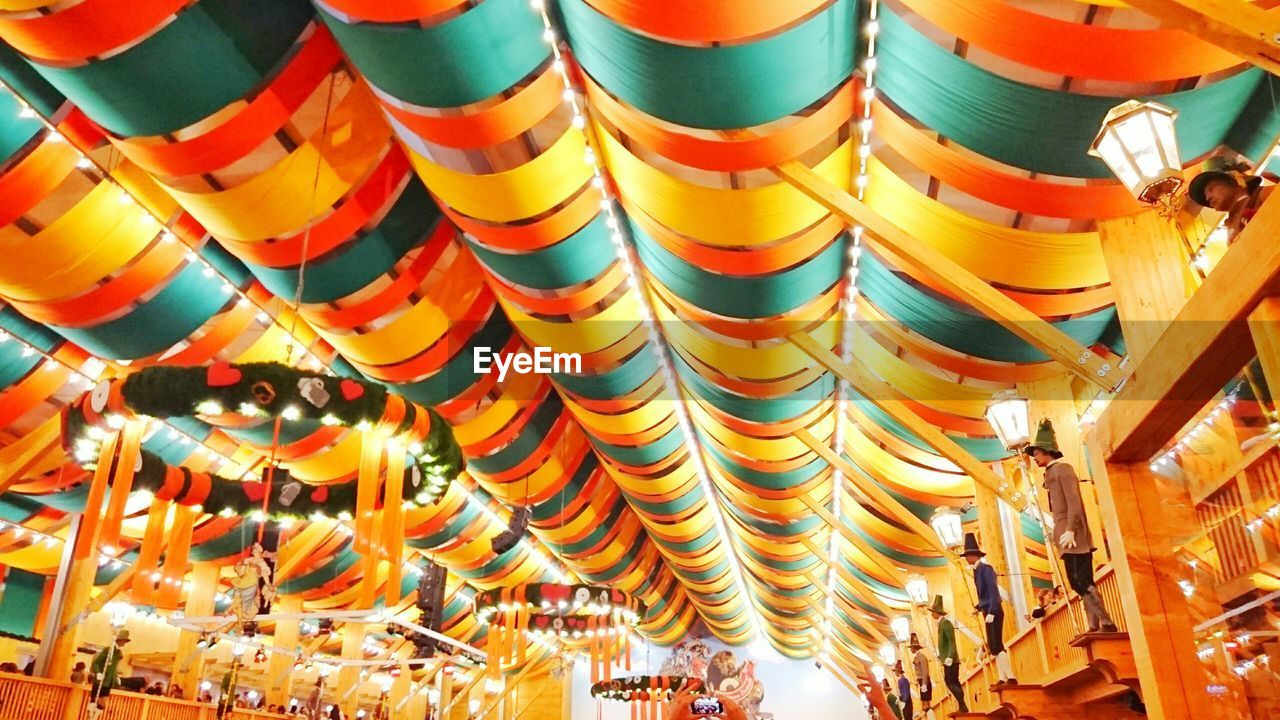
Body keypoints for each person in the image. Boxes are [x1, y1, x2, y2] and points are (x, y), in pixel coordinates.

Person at [1026, 420, 1119, 635]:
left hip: (1074, 534)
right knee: (1081, 581)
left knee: (1079, 580)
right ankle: (1095, 624)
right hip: (1064, 533)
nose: (1036, 458)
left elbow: (1074, 502)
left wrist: (1070, 528)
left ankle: (1106, 621)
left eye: (1037, 453)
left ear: (1047, 452)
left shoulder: (1063, 469)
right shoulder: (1050, 474)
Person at [963, 533, 1014, 686]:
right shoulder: (976, 571)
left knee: (996, 644)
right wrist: (979, 607)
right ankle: (1003, 678)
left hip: (994, 611)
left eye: (967, 555)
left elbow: (993, 591)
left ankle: (1010, 677)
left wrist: (992, 610)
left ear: (974, 555)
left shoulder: (986, 569)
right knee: (993, 646)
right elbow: (984, 595)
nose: (966, 559)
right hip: (987, 610)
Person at [1188, 159, 1275, 243]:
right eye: (1205, 196)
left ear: (1234, 180)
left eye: (1210, 189)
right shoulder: (1231, 229)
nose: (1207, 198)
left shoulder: (1268, 194)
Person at [929, 595, 967, 713]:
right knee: (951, 682)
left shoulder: (946, 623)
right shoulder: (940, 625)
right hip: (946, 659)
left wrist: (950, 656)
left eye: (933, 612)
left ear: (937, 612)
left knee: (952, 682)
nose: (931, 614)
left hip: (951, 660)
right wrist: (941, 656)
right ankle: (962, 705)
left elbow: (951, 641)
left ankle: (963, 705)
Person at [89, 630, 131, 699]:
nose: (125, 643)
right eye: (124, 641)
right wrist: (98, 673)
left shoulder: (119, 652)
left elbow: (114, 668)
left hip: (108, 682)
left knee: (102, 704)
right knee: (94, 702)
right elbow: (96, 663)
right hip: (101, 680)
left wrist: (116, 676)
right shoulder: (108, 650)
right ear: (120, 640)